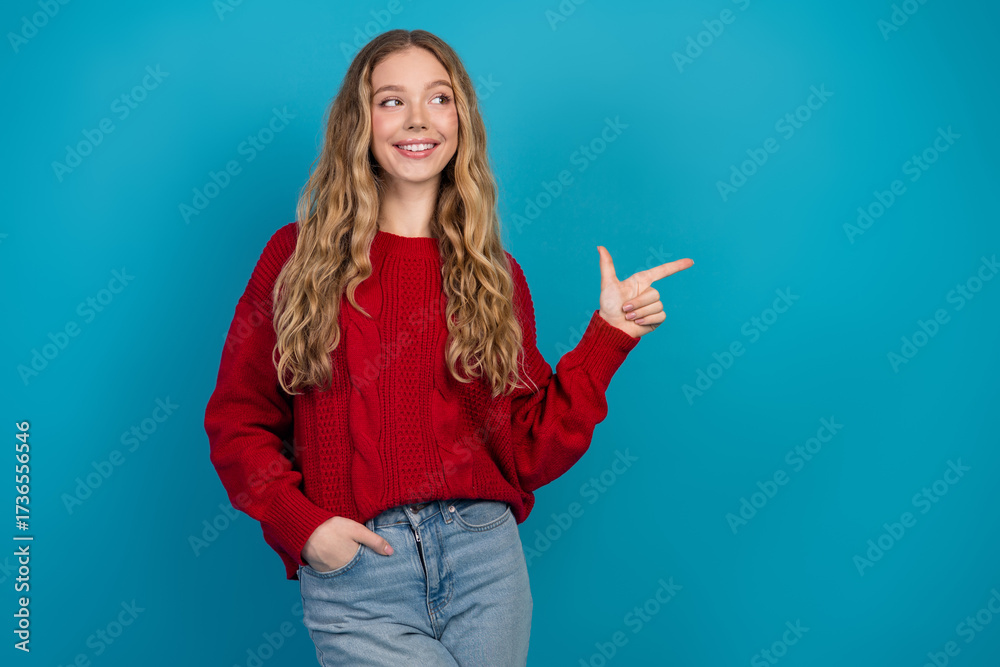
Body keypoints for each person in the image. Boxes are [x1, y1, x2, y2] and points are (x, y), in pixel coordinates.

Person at [204, 28, 693, 666]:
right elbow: (237, 420)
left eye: (438, 98)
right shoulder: (295, 259)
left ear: (461, 119)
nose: (416, 119)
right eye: (390, 101)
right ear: (360, 121)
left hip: (484, 559)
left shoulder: (495, 274)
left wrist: (609, 337)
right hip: (359, 572)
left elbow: (526, 450)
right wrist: (304, 526)